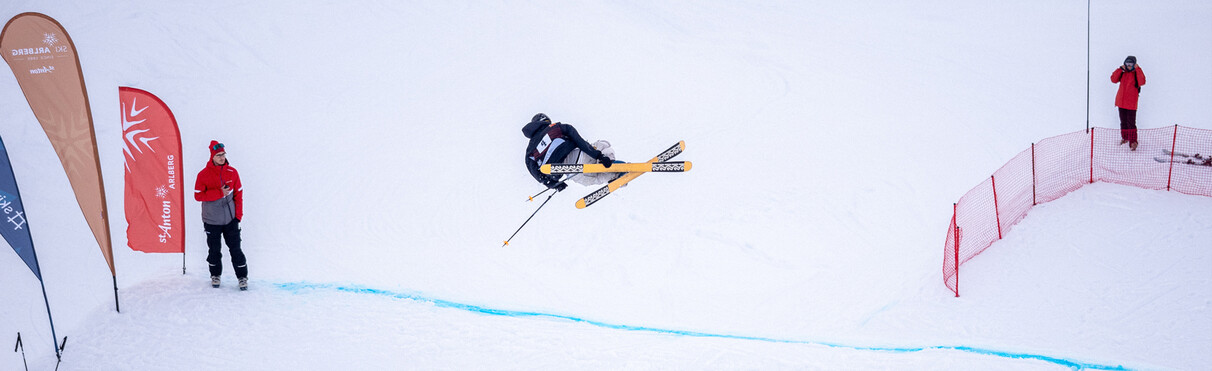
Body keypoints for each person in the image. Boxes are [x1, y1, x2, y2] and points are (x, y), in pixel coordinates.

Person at [194, 140, 248, 290]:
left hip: (230, 220)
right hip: (211, 220)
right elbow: (198, 195)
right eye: (218, 155)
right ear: (212, 157)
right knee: (214, 250)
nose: (222, 157)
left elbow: (239, 194)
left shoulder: (232, 172)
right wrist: (219, 193)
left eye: (223, 154)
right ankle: (215, 275)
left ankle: (242, 277)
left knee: (236, 250)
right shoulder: (203, 175)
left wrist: (238, 216)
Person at [522, 113, 617, 190]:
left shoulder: (530, 150)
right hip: (575, 157)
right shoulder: (555, 127)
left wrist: (553, 184)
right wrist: (599, 156)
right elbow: (579, 141)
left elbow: (534, 171)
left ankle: (613, 177)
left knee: (597, 178)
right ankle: (613, 166)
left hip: (569, 172)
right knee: (603, 144)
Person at [1111, 55, 1146, 151]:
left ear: (1135, 64)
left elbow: (1142, 81)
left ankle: (1133, 141)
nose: (1129, 66)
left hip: (1131, 103)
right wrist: (1119, 69)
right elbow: (1113, 79)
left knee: (1131, 123)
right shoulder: (1123, 73)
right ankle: (1125, 138)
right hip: (1121, 102)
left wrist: (1138, 69)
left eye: (1131, 64)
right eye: (1127, 64)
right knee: (1123, 122)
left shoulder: (1136, 73)